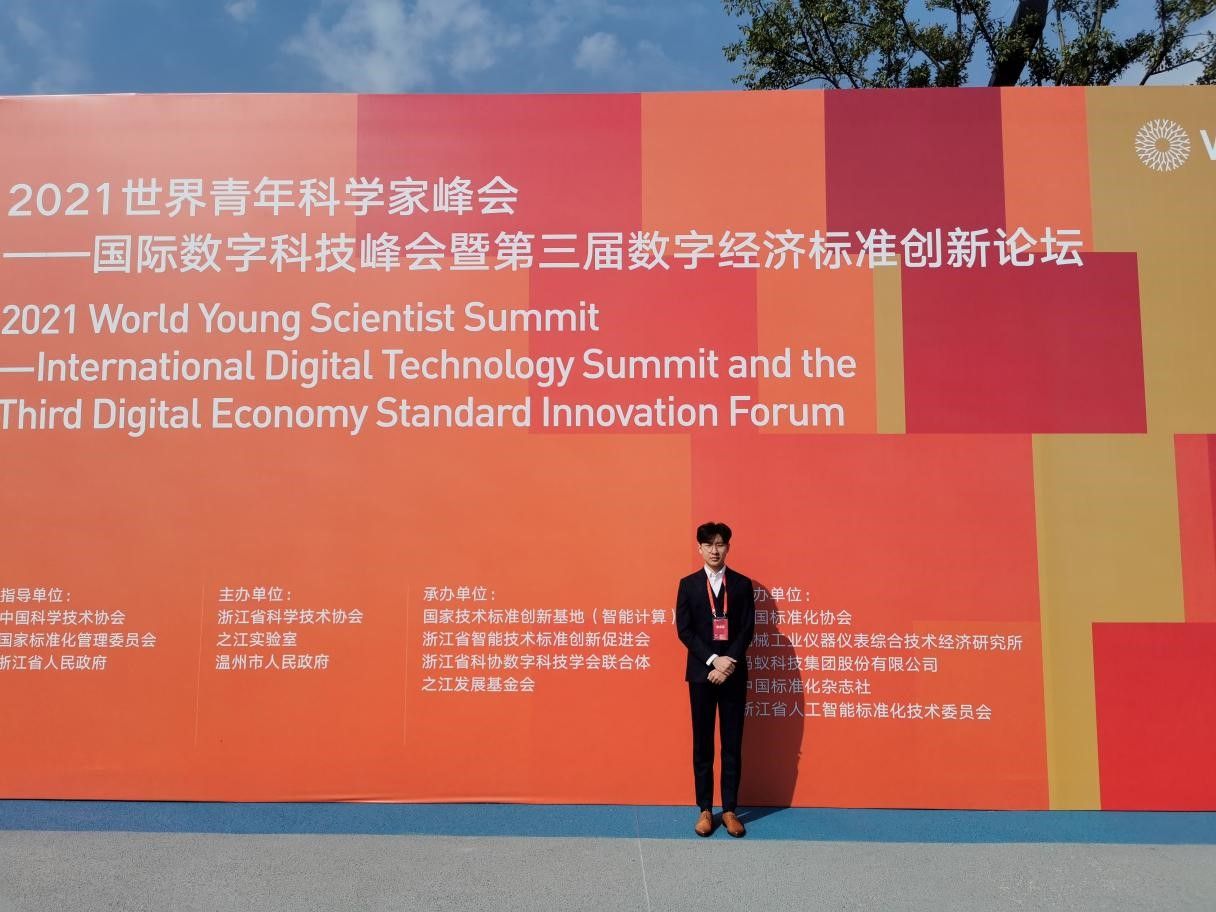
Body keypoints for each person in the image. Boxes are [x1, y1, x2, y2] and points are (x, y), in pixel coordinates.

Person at [675, 521, 755, 837]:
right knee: (703, 744)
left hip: (733, 673)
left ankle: (731, 809)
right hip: (701, 673)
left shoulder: (742, 585)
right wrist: (712, 660)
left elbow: (747, 629)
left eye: (720, 544)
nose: (714, 550)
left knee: (732, 743)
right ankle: (706, 810)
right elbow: (685, 630)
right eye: (708, 545)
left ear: (728, 547)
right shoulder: (688, 585)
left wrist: (727, 664)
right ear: (699, 549)